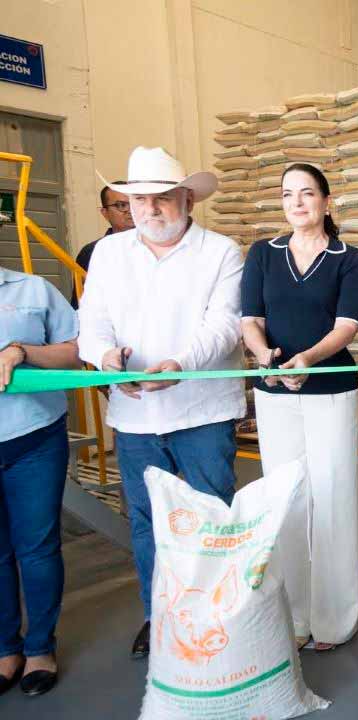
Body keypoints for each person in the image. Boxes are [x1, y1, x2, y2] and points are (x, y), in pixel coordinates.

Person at [77, 146, 246, 659]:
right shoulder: (109, 254)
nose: (149, 209)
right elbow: (91, 323)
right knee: (148, 521)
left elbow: (223, 324)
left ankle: (216, 617)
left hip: (203, 412)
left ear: (188, 199)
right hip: (134, 418)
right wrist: (106, 358)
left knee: (210, 516)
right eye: (138, 200)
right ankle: (160, 617)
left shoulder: (220, 252)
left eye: (162, 198)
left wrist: (181, 363)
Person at [241, 163, 358, 650]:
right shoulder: (263, 254)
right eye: (288, 194)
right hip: (274, 392)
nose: (297, 202)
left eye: (307, 193)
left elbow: (347, 326)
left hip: (330, 391)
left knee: (333, 498)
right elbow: (250, 319)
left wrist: (309, 360)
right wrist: (263, 356)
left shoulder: (348, 259)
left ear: (326, 201)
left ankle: (335, 620)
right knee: (286, 500)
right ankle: (294, 618)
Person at [0, 268, 81, 697]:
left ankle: (39, 650)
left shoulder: (33, 290)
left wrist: (21, 351)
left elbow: (75, 353)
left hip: (34, 437)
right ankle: (5, 651)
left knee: (37, 547)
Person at [70, 185, 135, 308]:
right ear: (105, 213)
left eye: (135, 203)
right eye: (121, 205)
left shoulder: (159, 246)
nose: (130, 210)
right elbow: (80, 303)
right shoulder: (92, 252)